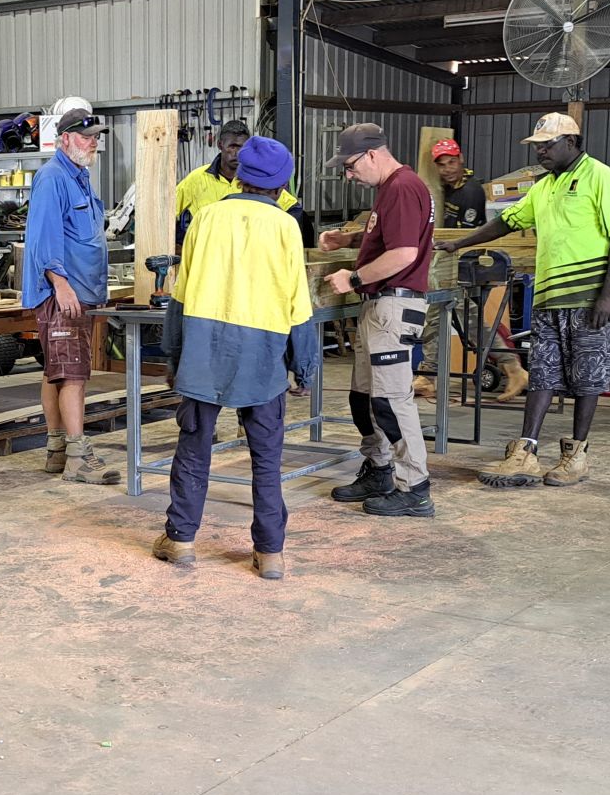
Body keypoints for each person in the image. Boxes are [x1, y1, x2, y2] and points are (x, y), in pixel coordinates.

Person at [153, 137, 319, 580]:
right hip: (262, 352)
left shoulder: (205, 218)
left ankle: (182, 540)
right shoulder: (286, 226)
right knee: (266, 456)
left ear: (239, 173)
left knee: (194, 446)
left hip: (205, 346)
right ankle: (270, 553)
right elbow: (298, 304)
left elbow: (180, 294)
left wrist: (173, 356)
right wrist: (304, 367)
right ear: (283, 184)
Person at [439, 112, 610, 487]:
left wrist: (607, 295)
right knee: (542, 373)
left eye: (548, 145)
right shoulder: (544, 187)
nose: (541, 152)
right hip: (548, 298)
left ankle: (576, 456)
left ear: (572, 143)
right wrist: (460, 242)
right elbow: (507, 221)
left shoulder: (603, 178)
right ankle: (525, 451)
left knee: (588, 377)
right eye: (538, 146)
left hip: (589, 297)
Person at [318, 122, 437, 519]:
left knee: (390, 401)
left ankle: (414, 486)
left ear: (372, 154)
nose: (349, 176)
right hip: (379, 305)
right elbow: (387, 236)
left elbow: (403, 253)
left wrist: (351, 278)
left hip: (393, 305)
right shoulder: (391, 188)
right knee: (363, 398)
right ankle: (380, 469)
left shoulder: (403, 187)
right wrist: (348, 239)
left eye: (351, 166)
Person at [24, 104, 119, 484]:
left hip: (80, 292)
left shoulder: (79, 176)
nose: (92, 143)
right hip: (63, 293)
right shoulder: (52, 177)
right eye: (85, 137)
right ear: (65, 139)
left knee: (57, 373)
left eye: (95, 137)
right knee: (73, 376)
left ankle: (57, 450)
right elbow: (43, 236)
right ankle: (77, 456)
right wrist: (59, 283)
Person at [175, 119, 300, 250]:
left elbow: (293, 208)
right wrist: (182, 240)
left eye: (243, 148)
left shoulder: (255, 182)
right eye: (233, 146)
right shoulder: (197, 179)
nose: (238, 153)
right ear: (220, 145)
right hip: (207, 250)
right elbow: (169, 212)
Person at [433, 139, 486, 228]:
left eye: (451, 162)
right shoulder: (445, 186)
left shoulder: (471, 192)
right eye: (441, 165)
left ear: (461, 158)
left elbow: (466, 233)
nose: (447, 169)